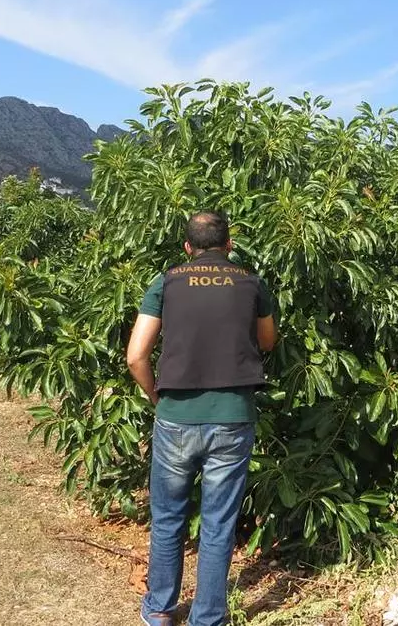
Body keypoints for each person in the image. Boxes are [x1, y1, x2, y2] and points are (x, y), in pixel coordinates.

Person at [127, 211, 278, 626]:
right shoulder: (251, 282)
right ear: (229, 245)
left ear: (187, 247)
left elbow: (136, 356)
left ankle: (160, 609)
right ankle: (207, 617)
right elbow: (267, 341)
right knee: (218, 523)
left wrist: (156, 396)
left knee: (168, 518)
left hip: (176, 417)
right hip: (232, 417)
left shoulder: (166, 282)